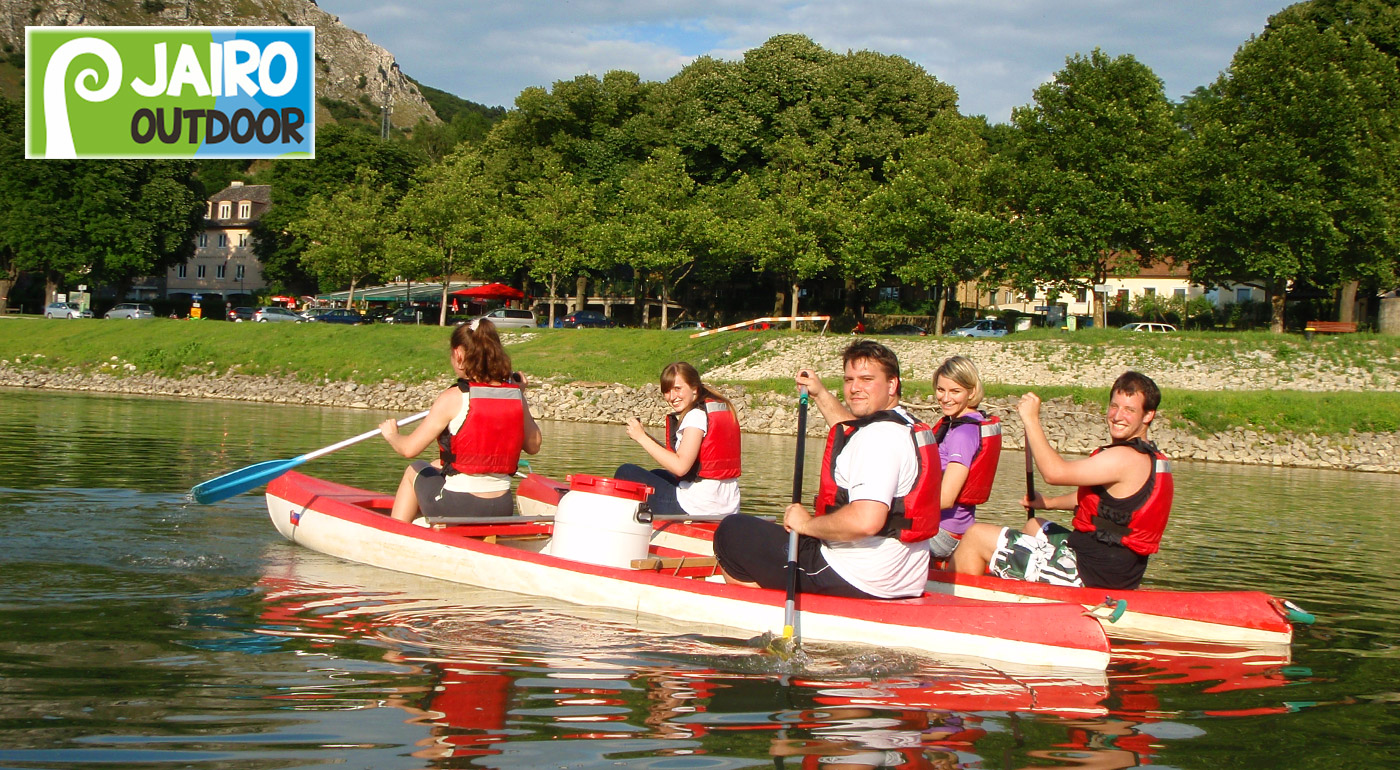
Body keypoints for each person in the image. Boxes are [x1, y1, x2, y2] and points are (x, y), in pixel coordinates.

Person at [713, 340, 941, 599]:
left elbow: (866, 521)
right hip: (903, 579)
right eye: (849, 379)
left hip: (857, 577)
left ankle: (760, 608)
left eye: (866, 379)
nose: (855, 388)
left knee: (731, 532)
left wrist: (807, 523)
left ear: (892, 384)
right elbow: (851, 430)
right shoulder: (903, 425)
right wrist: (820, 393)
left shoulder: (879, 439)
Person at [951, 371, 1172, 589]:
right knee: (1033, 525)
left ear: (1148, 415)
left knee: (975, 537)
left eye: (1129, 410)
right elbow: (1101, 504)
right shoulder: (1148, 457)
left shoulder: (1125, 457)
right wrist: (1047, 503)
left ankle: (956, 602)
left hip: (1089, 573)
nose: (1117, 416)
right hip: (1116, 568)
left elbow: (1054, 473)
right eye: (1114, 406)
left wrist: (1031, 420)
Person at [378, 319, 543, 523]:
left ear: (458, 355)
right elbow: (534, 445)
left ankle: (397, 536)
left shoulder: (454, 397)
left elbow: (408, 449)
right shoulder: (515, 396)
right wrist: (521, 395)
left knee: (414, 469)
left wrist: (392, 435)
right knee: (436, 464)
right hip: (502, 506)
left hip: (460, 505)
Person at [614, 362, 742, 517]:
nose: (672, 397)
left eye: (677, 389)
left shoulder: (696, 416)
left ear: (694, 388)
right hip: (727, 504)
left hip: (700, 507)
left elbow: (680, 467)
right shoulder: (717, 408)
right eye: (667, 391)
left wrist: (641, 438)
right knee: (657, 474)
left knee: (626, 472)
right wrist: (645, 435)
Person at [927, 356, 1001, 562]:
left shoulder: (962, 434)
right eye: (941, 390)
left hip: (944, 535)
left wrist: (897, 506)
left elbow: (946, 498)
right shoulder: (963, 423)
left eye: (955, 391)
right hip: (952, 528)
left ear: (972, 392)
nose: (945, 398)